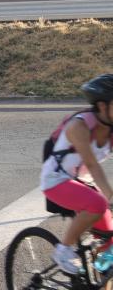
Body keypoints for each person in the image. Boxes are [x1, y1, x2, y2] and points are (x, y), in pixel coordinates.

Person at [41, 74, 113, 274]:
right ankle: (63, 250)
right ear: (102, 106)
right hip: (56, 181)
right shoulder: (79, 126)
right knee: (98, 204)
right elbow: (92, 164)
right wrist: (110, 196)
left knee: (110, 238)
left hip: (82, 182)